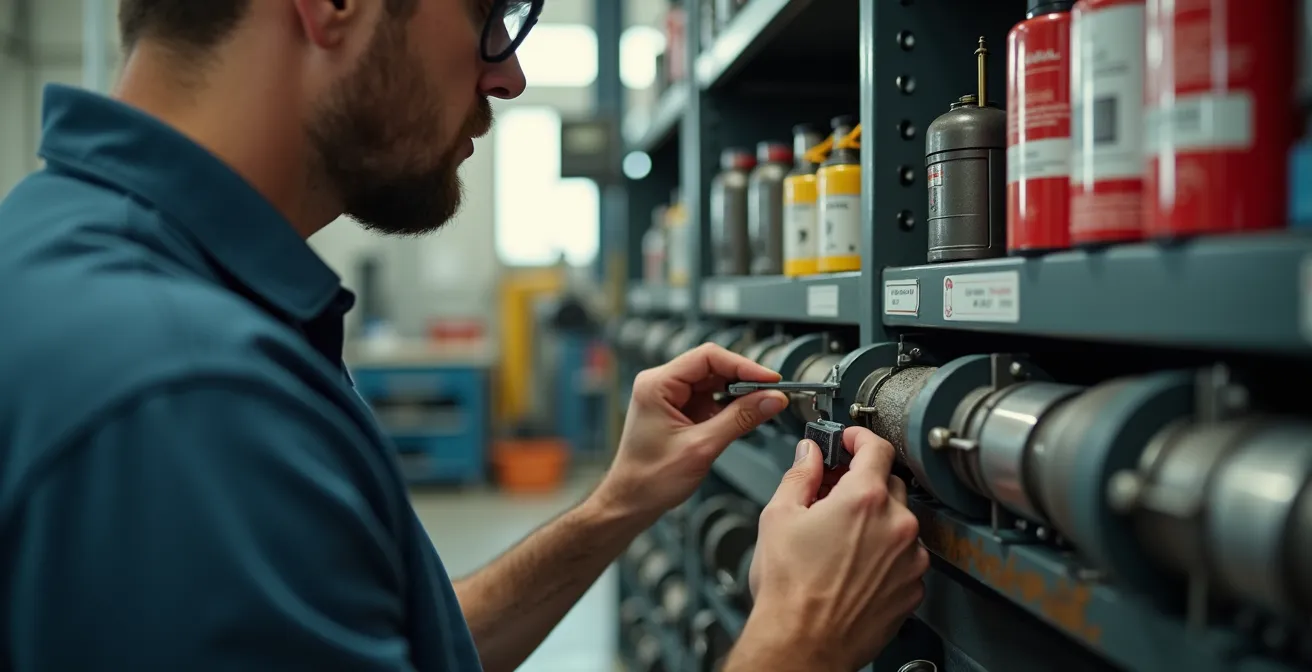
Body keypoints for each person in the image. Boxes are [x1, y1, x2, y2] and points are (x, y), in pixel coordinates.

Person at [0, 1, 929, 670]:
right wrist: (799, 640)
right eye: (489, 14)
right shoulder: (184, 393)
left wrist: (620, 504)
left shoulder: (110, 269)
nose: (509, 73)